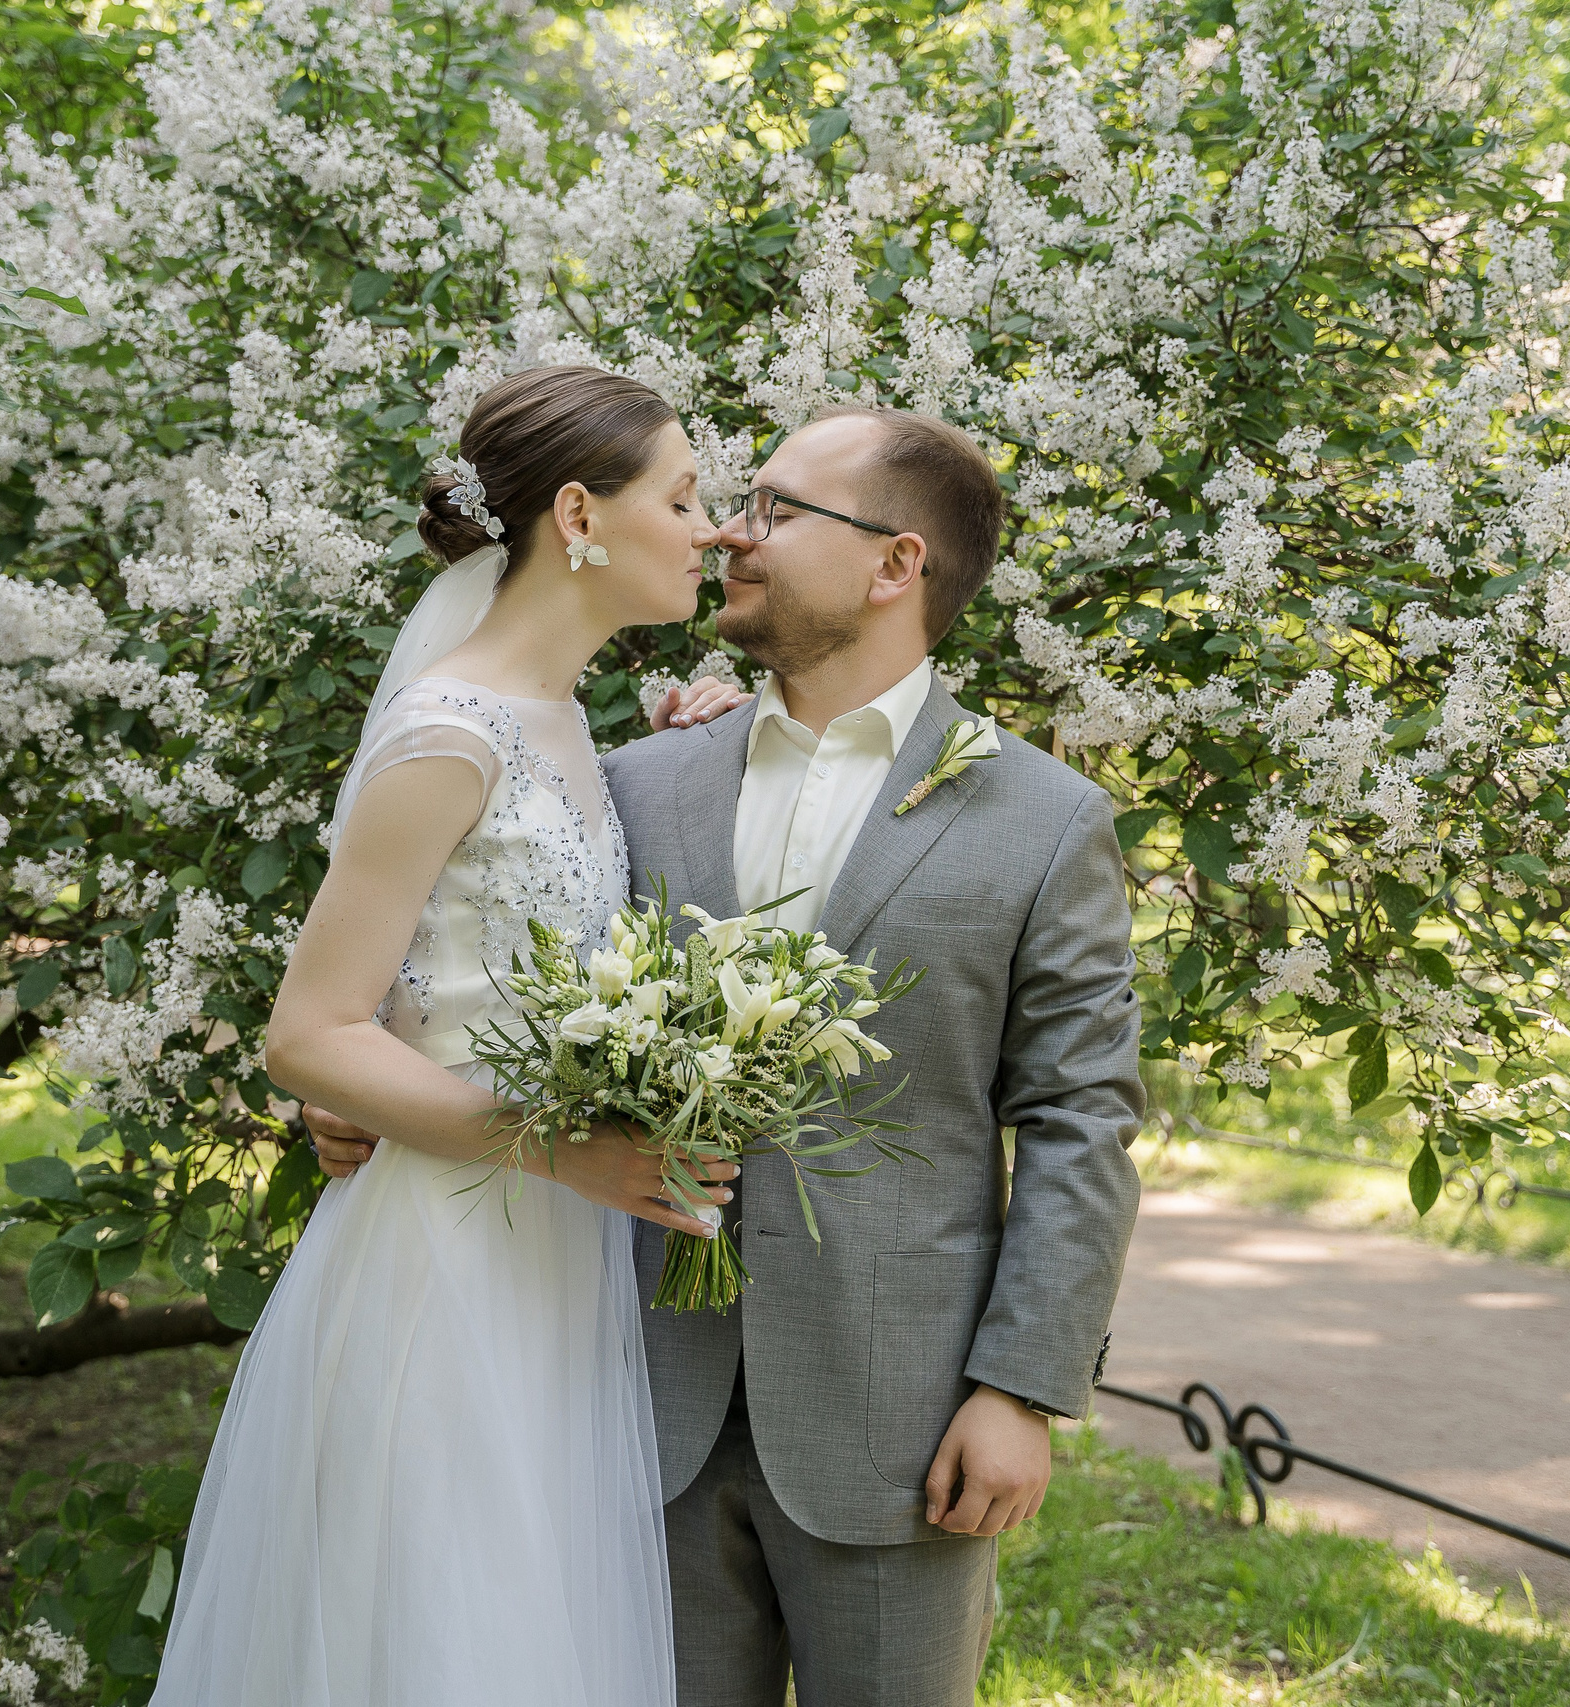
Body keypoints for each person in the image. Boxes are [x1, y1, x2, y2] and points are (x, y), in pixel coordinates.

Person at [312, 405, 1146, 1707]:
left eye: (776, 509)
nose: (733, 535)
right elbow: (464, 984)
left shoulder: (1044, 822)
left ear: (894, 565)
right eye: (732, 502)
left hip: (903, 1423)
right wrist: (370, 1103)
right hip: (630, 1411)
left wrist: (1022, 1390)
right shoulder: (634, 779)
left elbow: (1081, 1119)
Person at [148, 365, 747, 1707]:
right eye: (688, 496)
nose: (711, 528)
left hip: (557, 1267)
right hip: (448, 1266)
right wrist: (566, 1155)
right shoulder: (448, 732)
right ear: (581, 516)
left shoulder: (567, 722)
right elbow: (309, 1031)